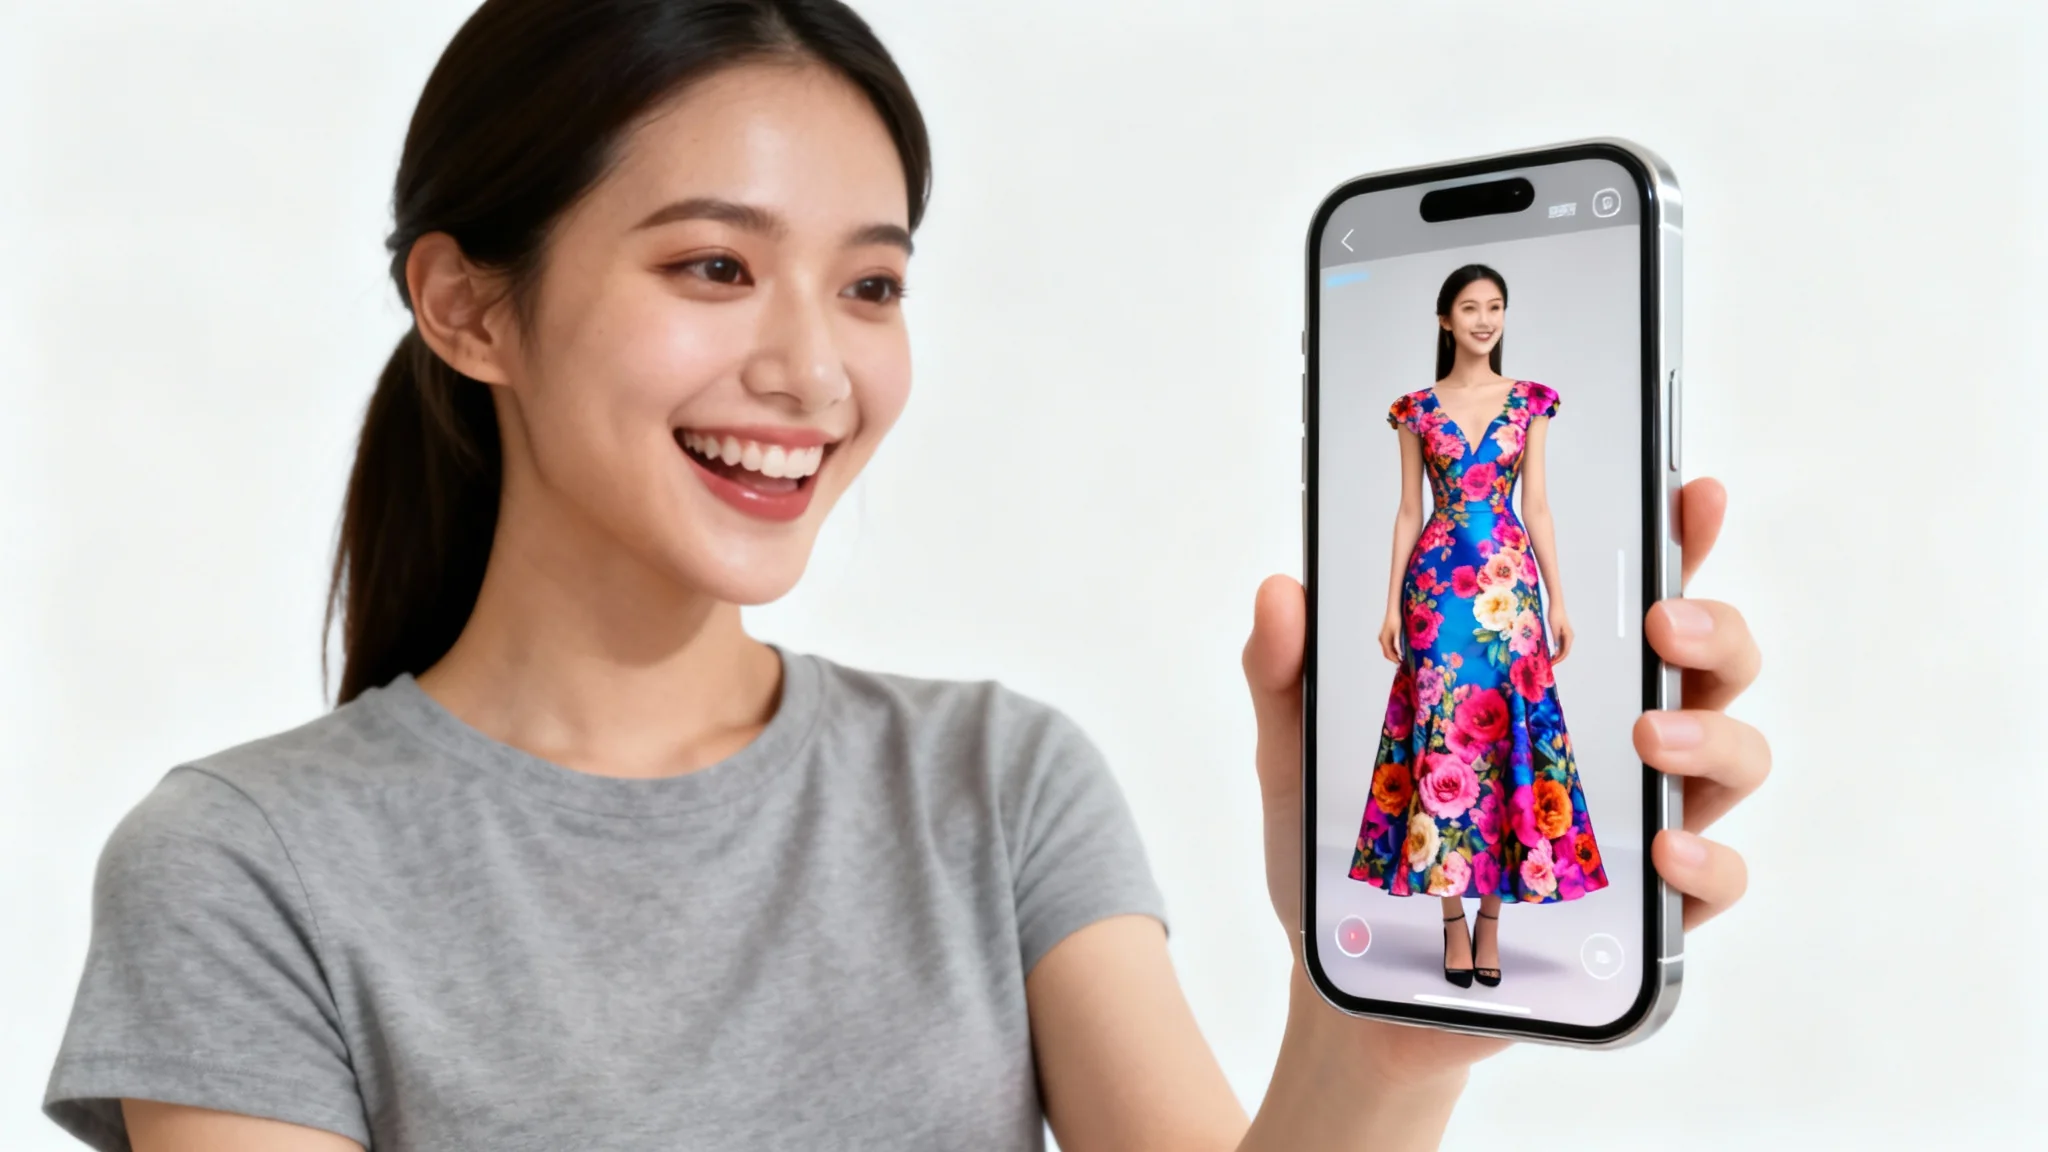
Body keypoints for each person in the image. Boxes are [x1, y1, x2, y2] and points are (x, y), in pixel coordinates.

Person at [42, 2, 1770, 1149]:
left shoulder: (995, 788)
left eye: (868, 287)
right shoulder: (244, 873)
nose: (811, 371)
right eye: (715, 265)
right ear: (468, 303)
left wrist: (1374, 1034)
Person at [1350, 264, 1606, 989]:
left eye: (1495, 307)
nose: (1485, 319)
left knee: (1502, 741)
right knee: (1441, 742)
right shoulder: (1415, 409)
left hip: (1510, 592)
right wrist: (1392, 602)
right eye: (1470, 307)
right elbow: (1408, 511)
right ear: (1445, 319)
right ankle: (1451, 924)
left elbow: (1541, 509)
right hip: (1438, 591)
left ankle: (1491, 924)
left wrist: (1557, 600)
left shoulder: (1530, 403)